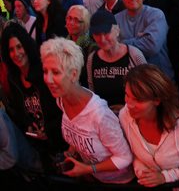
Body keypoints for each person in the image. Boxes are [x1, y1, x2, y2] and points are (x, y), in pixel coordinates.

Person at [40, 37, 134, 183]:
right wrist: (72, 151)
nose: (48, 79)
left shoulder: (99, 114)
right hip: (93, 178)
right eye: (45, 71)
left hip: (117, 182)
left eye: (56, 72)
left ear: (73, 74)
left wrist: (89, 169)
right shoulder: (61, 99)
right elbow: (79, 128)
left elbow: (125, 158)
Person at [119, 64, 179, 187]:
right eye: (127, 95)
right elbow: (135, 153)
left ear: (157, 100)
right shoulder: (125, 115)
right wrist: (142, 172)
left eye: (138, 100)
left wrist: (166, 177)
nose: (129, 104)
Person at [0, 22, 65, 169]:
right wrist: (29, 126)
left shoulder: (44, 71)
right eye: (11, 50)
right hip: (39, 150)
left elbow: (64, 109)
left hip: (61, 145)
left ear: (27, 45)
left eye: (19, 46)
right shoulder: (14, 79)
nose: (16, 53)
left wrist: (49, 130)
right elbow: (22, 113)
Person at [115, 0, 174, 79]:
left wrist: (122, 44)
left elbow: (151, 46)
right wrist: (140, 39)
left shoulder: (156, 15)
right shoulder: (116, 19)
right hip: (130, 80)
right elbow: (112, 48)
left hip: (158, 79)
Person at [88, 10, 146, 112]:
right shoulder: (92, 59)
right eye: (97, 34)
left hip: (132, 116)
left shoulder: (134, 55)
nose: (102, 39)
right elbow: (93, 94)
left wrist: (126, 109)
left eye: (106, 32)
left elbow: (148, 89)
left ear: (117, 30)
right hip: (104, 118)